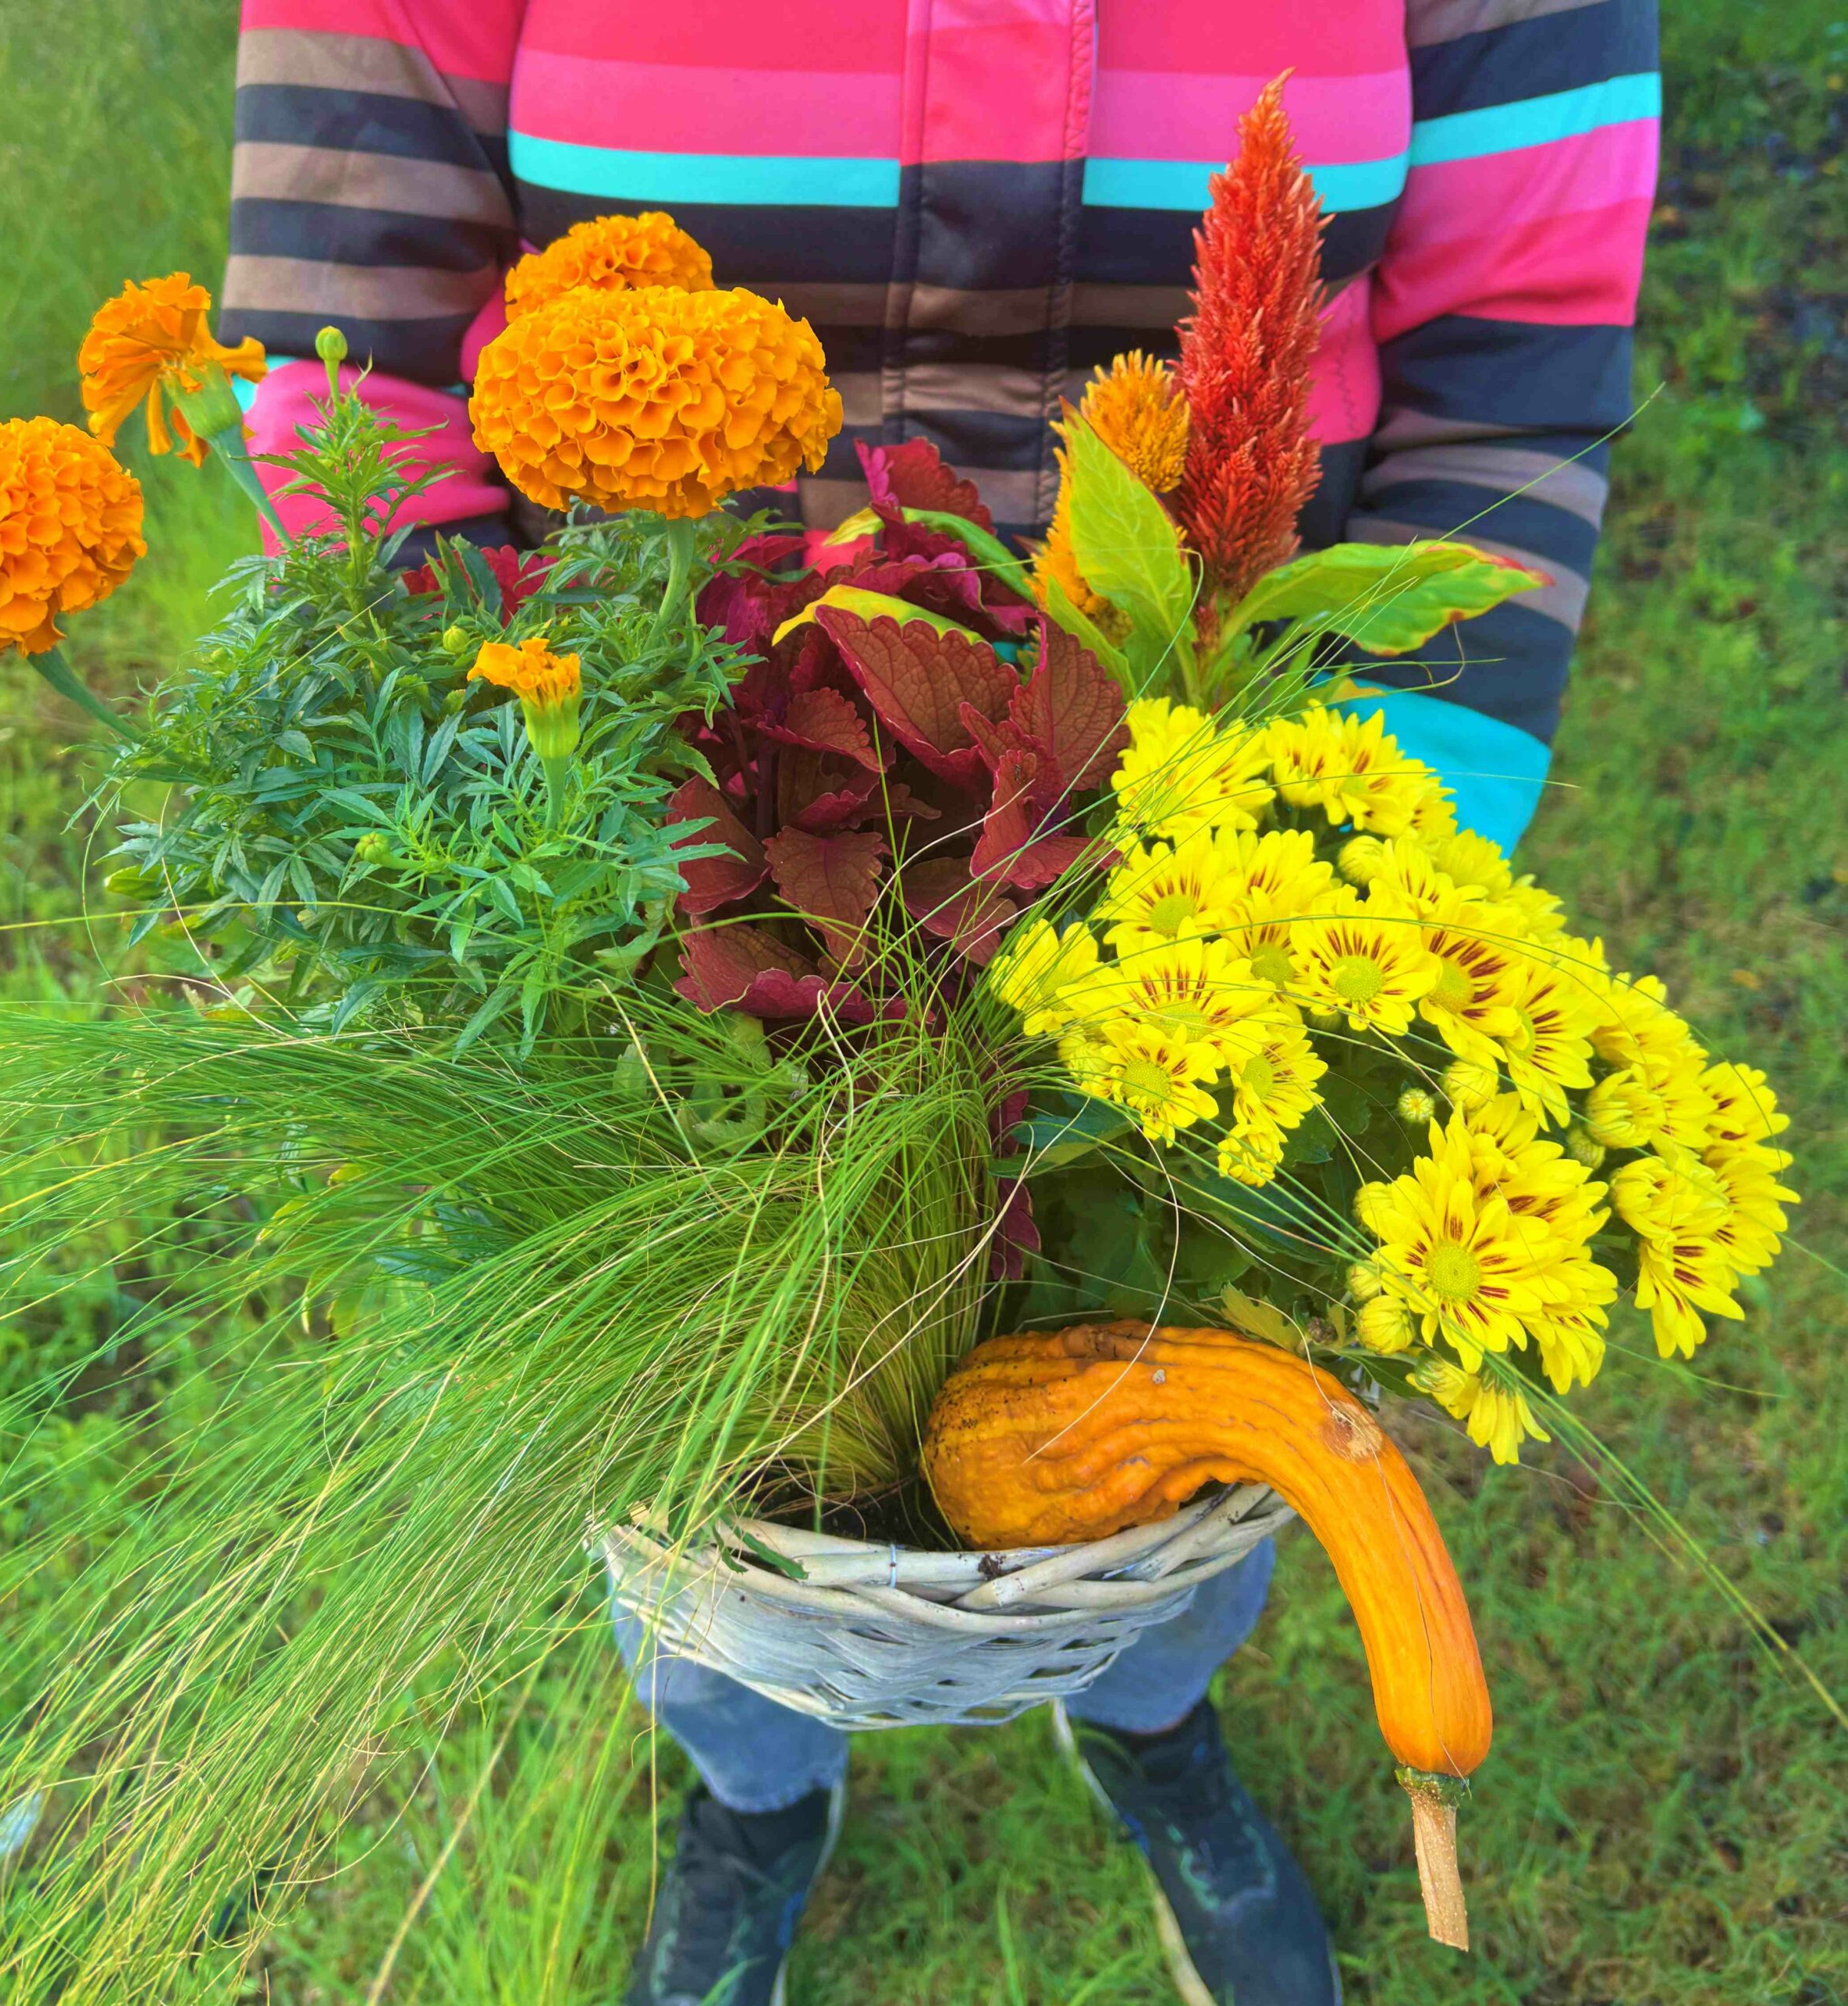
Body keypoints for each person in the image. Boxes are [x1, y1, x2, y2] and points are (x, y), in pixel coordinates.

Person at [220, 3, 1659, 1998]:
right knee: (706, 1463)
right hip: (650, 885)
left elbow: (1520, 360)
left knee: (1174, 1413)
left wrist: (1345, 897)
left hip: (1196, 872)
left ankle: (1150, 1713)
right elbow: (348, 357)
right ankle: (753, 1783)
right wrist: (510, 856)